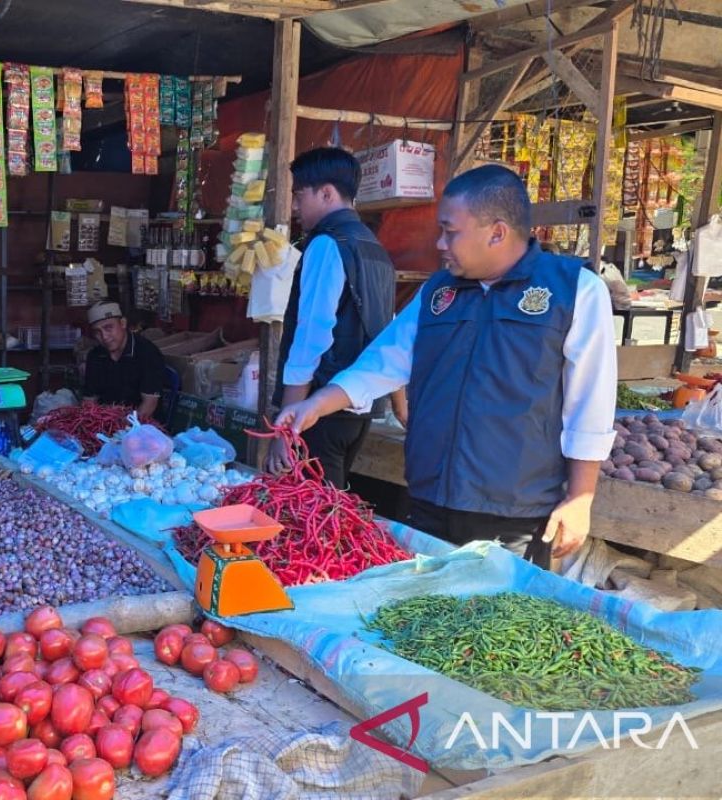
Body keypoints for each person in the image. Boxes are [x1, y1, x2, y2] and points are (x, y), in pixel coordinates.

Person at [277, 164, 616, 568]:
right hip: (429, 499)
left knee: (495, 627)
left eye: (450, 231)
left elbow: (590, 403)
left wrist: (580, 498)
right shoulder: (439, 292)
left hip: (515, 514)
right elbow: (384, 362)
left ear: (496, 231)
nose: (439, 243)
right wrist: (316, 404)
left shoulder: (573, 290)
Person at [264, 146, 402, 488]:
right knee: (329, 511)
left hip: (319, 411)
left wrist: (286, 428)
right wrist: (400, 406)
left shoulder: (327, 244)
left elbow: (309, 340)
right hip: (357, 411)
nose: (295, 207)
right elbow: (390, 329)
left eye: (299, 195)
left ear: (326, 193)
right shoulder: (373, 247)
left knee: (311, 516)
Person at [82, 300, 165, 419]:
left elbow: (149, 405)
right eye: (97, 332)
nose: (104, 337)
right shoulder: (95, 356)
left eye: (108, 328)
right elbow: (89, 402)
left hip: (141, 427)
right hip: (107, 422)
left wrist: (123, 429)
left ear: (123, 323)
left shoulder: (147, 353)